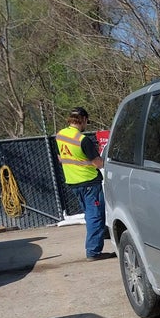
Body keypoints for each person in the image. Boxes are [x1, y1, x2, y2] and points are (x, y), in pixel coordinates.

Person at [56, 107, 113, 261]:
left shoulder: (60, 136)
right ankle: (93, 252)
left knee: (90, 216)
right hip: (89, 182)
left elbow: (61, 158)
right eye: (87, 121)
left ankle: (97, 241)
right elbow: (99, 164)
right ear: (83, 119)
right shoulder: (82, 140)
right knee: (95, 217)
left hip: (73, 183)